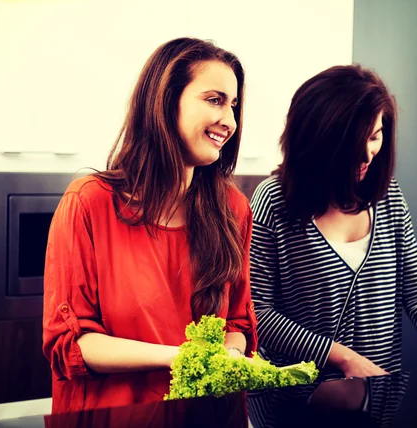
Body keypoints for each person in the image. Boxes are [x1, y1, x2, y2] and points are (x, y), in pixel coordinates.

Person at [247, 63, 417, 427]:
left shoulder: (389, 198)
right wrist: (338, 356)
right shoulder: (273, 201)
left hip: (377, 403)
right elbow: (258, 310)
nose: (368, 155)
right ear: (318, 140)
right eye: (355, 143)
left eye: (375, 136)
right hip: (291, 406)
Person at [42, 37, 257, 414]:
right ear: (164, 101)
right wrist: (184, 357)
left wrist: (230, 354)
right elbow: (74, 344)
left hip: (206, 419)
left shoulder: (232, 209)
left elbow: (237, 322)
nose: (230, 121)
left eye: (234, 105)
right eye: (214, 100)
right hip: (116, 418)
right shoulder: (89, 202)